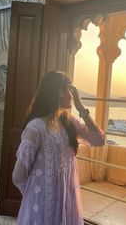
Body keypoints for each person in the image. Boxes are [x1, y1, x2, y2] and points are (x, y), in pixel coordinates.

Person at [12, 71, 105, 225]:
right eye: (71, 90)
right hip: (41, 210)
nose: (74, 95)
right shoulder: (36, 128)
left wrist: (81, 107)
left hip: (66, 204)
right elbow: (18, 176)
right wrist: (39, 195)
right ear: (60, 91)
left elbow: (99, 140)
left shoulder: (68, 122)